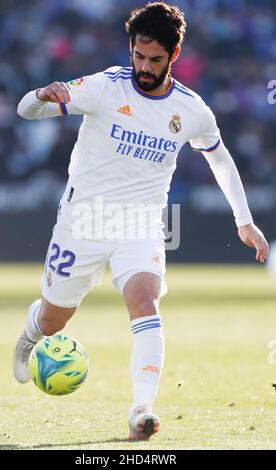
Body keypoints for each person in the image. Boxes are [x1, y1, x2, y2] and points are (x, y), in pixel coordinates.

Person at [13, 2, 269, 441]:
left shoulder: (191, 110)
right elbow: (24, 111)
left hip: (142, 222)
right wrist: (40, 95)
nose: (143, 67)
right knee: (56, 318)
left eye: (154, 59)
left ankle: (141, 410)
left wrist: (244, 221)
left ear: (174, 55)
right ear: (130, 48)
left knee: (145, 303)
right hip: (84, 219)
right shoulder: (103, 87)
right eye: (137, 55)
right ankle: (30, 333)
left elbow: (221, 161)